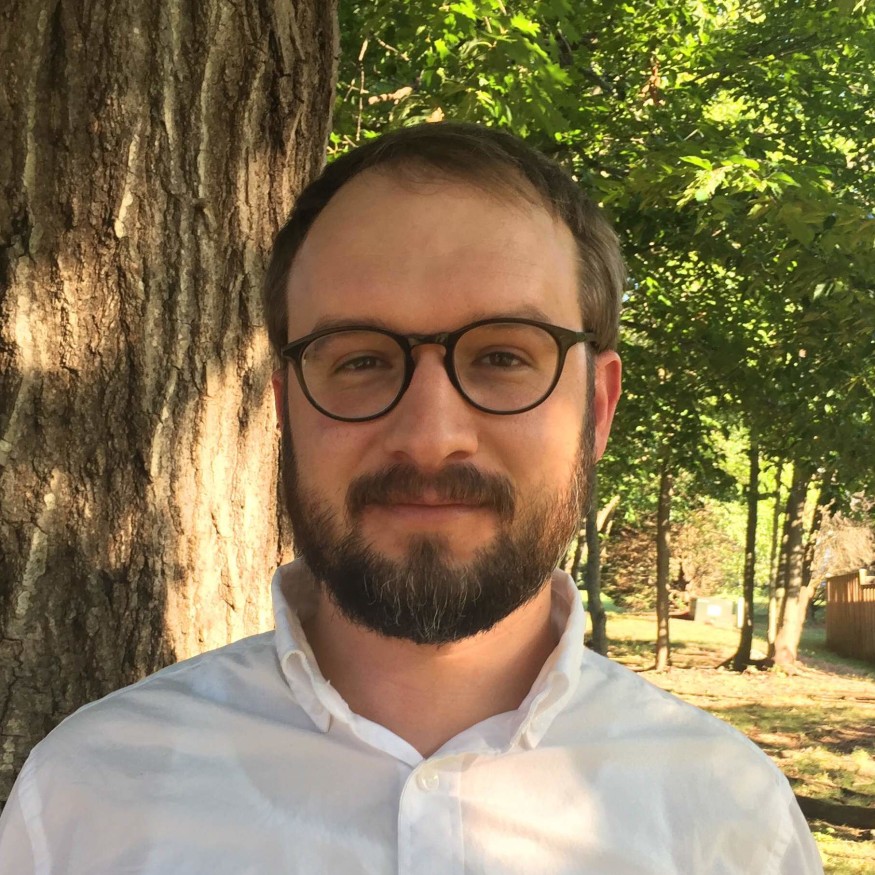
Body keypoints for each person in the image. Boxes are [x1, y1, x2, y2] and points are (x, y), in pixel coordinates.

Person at [0, 122, 822, 874]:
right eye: (358, 359)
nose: (430, 436)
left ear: (597, 408)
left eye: (504, 356)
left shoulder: (729, 820)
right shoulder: (88, 799)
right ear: (285, 405)